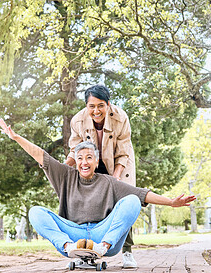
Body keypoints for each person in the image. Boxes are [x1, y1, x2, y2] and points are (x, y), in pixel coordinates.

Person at [0, 119, 196, 265]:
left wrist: (171, 202)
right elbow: (40, 155)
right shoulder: (65, 176)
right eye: (80, 158)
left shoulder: (108, 182)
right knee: (35, 212)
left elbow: (142, 194)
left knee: (133, 201)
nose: (84, 162)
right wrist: (16, 138)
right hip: (74, 234)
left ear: (96, 161)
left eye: (89, 157)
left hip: (103, 234)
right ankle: (69, 248)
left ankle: (102, 248)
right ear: (75, 161)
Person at [64, 84, 138, 267]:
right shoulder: (77, 121)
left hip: (119, 162)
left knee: (125, 200)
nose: (96, 111)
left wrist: (116, 177)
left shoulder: (120, 118)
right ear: (86, 106)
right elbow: (75, 151)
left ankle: (127, 251)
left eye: (101, 106)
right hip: (92, 163)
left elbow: (123, 151)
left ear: (108, 104)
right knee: (83, 202)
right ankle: (82, 252)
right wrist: (62, 170)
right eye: (92, 106)